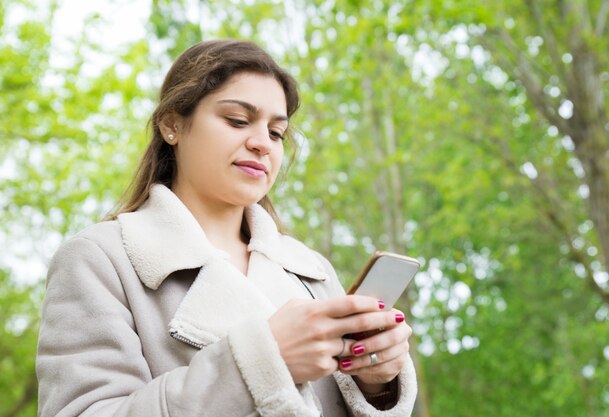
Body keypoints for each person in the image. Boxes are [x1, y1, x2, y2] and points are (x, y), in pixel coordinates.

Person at [36, 39, 417, 417]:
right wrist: (261, 361)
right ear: (172, 124)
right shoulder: (99, 259)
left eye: (276, 133)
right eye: (237, 120)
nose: (262, 144)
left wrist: (376, 384)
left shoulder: (310, 271)